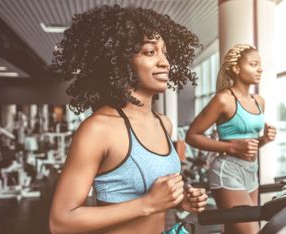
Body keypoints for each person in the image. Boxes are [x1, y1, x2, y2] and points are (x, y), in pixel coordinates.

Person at [49, 5, 207, 234]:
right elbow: (60, 222)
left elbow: (154, 198)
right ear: (120, 61)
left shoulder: (164, 124)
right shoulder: (98, 129)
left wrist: (178, 200)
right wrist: (148, 203)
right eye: (150, 52)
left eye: (165, 52)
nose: (165, 62)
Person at [185, 44, 277, 233]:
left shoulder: (258, 101)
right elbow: (192, 136)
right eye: (253, 64)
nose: (260, 68)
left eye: (260, 64)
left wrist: (264, 140)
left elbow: (247, 146)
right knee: (252, 232)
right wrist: (231, 148)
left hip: (251, 172)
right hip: (227, 172)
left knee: (236, 232)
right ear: (236, 68)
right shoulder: (224, 100)